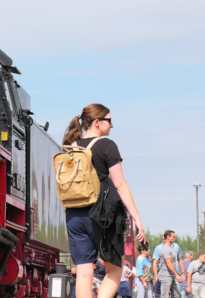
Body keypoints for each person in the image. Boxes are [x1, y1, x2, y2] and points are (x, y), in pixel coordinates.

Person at [62, 104, 146, 298]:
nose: (112, 125)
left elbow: (67, 190)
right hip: (102, 216)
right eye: (109, 120)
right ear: (97, 122)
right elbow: (120, 184)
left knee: (83, 273)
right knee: (115, 268)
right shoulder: (107, 146)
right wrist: (137, 217)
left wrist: (67, 222)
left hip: (74, 215)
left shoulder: (70, 149)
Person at [154, 231, 185, 298]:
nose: (175, 238)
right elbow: (168, 263)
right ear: (168, 237)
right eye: (173, 237)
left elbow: (180, 260)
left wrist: (181, 273)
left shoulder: (171, 248)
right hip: (165, 276)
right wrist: (177, 275)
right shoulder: (166, 249)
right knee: (164, 296)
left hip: (171, 275)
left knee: (177, 295)